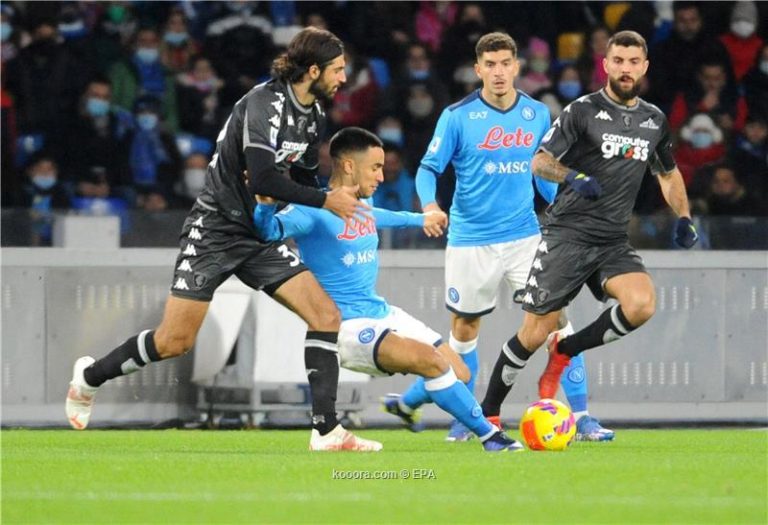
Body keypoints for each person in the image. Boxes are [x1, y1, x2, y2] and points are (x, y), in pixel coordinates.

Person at [66, 27, 378, 452]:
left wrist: (316, 211)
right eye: (338, 70)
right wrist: (326, 200)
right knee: (174, 341)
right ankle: (89, 377)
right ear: (313, 70)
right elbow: (266, 176)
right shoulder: (262, 104)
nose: (343, 78)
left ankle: (326, 431)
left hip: (260, 233)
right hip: (215, 229)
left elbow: (301, 177)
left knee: (325, 316)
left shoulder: (314, 116)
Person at [253, 127, 524, 452]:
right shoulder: (313, 212)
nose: (382, 176)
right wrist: (265, 205)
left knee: (461, 371)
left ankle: (405, 403)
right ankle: (492, 437)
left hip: (382, 313)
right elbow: (266, 231)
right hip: (348, 328)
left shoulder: (361, 206)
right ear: (349, 166)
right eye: (376, 167)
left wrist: (420, 220)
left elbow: (380, 217)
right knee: (432, 361)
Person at [480, 31, 698, 415]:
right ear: (606, 64)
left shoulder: (653, 120)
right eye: (618, 61)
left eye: (633, 62)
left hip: (612, 241)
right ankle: (490, 413)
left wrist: (683, 216)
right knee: (534, 332)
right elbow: (540, 160)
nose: (625, 69)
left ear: (644, 67)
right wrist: (573, 178)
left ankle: (565, 351)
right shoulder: (581, 110)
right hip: (568, 234)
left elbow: (667, 173)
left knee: (641, 304)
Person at [412, 32, 614, 442]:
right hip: (470, 240)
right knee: (465, 329)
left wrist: (563, 213)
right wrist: (429, 206)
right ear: (478, 69)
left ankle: (582, 416)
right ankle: (469, 418)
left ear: (517, 66)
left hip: (525, 236)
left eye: (506, 63)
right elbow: (427, 168)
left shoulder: (537, 113)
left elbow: (542, 175)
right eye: (490, 64)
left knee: (556, 321)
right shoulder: (457, 115)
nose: (499, 72)